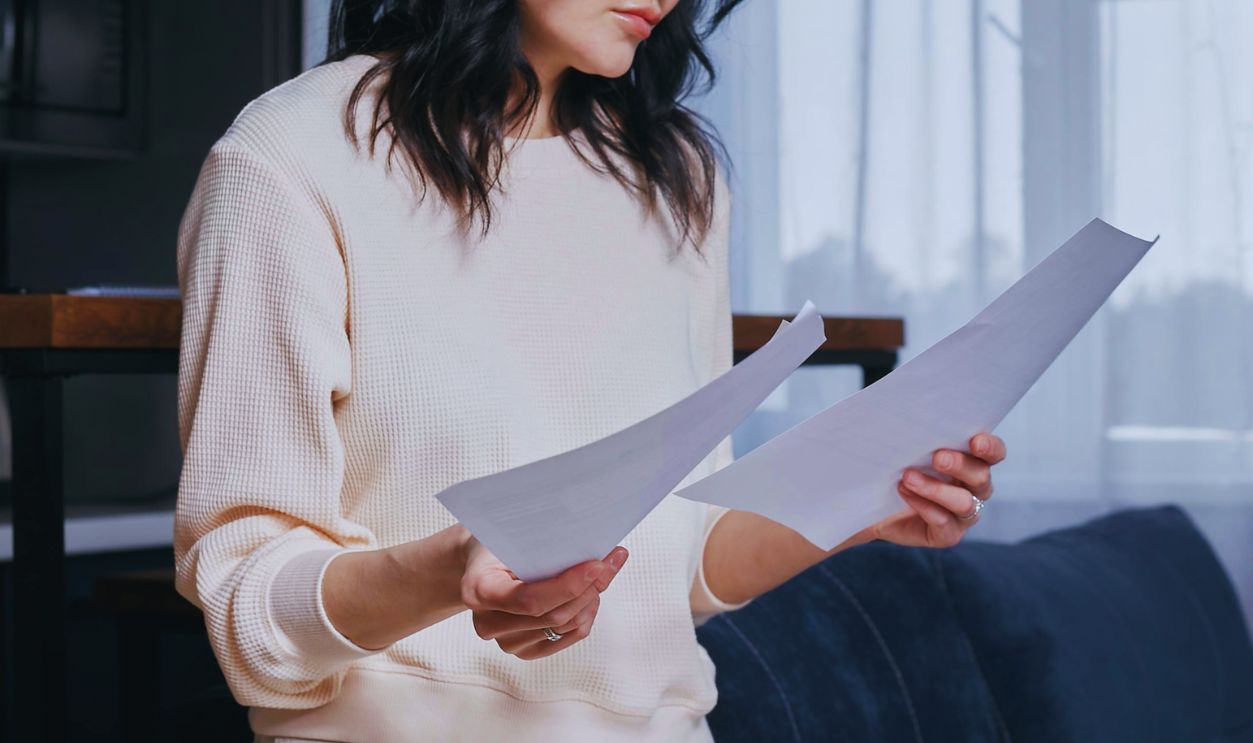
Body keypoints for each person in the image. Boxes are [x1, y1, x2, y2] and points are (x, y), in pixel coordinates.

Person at [172, 1, 1008, 741]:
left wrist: (860, 498)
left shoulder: (674, 174)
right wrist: (447, 572)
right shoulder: (290, 158)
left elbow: (679, 571)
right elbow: (248, 600)